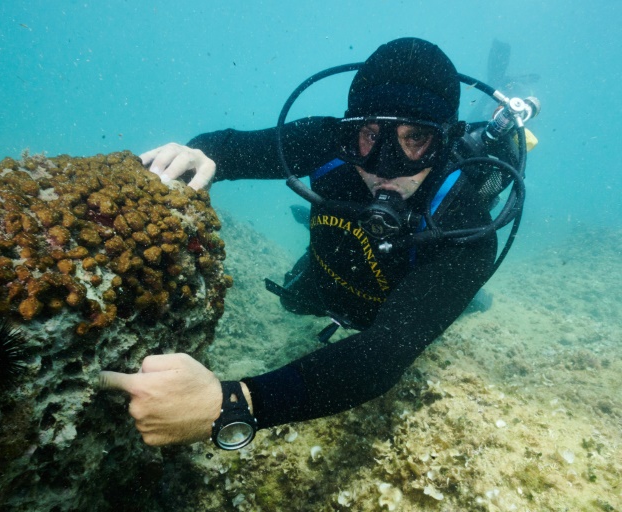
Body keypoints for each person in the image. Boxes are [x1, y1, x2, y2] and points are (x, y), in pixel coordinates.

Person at [98, 38, 520, 449]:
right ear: (349, 130)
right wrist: (195, 153)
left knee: (454, 306)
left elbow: (383, 354)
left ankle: (472, 291)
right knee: (293, 300)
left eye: (416, 140)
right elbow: (228, 149)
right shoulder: (327, 142)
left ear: (443, 141)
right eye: (371, 136)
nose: (385, 166)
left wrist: (232, 404)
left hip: (396, 303)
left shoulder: (465, 231)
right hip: (329, 279)